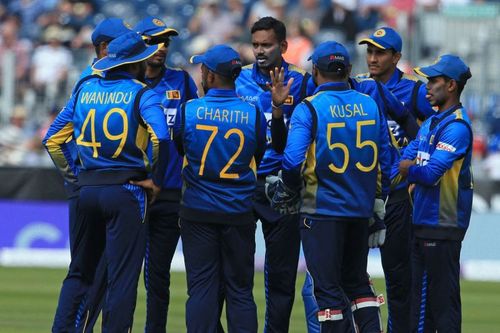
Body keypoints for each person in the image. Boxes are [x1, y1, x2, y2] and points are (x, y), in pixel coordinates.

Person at [43, 32, 169, 332]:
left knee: (79, 273)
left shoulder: (85, 89)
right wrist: (154, 178)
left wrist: (77, 177)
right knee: (122, 278)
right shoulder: (142, 93)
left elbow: (53, 141)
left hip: (87, 191)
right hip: (126, 190)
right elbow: (160, 136)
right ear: (136, 62)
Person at [267, 40, 391, 333]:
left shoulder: (308, 108)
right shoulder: (370, 104)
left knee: (327, 290)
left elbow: (292, 161)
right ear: (348, 70)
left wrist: (288, 190)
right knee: (359, 283)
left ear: (314, 72)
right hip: (360, 211)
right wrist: (376, 203)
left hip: (321, 212)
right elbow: (386, 161)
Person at [44, 17, 132, 333]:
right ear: (106, 47)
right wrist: (75, 176)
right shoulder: (99, 81)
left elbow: (53, 139)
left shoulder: (89, 79)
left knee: (85, 270)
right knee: (98, 272)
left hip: (88, 185)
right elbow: (54, 138)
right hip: (103, 184)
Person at [173, 44, 267, 333]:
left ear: (211, 75)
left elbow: (180, 148)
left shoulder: (189, 109)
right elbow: (258, 153)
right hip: (238, 211)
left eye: (203, 69)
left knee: (201, 288)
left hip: (198, 210)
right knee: (240, 291)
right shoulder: (252, 112)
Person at [234, 16, 311, 332]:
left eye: (266, 45)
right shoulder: (237, 80)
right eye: (255, 45)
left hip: (284, 188)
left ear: (283, 46)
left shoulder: (303, 82)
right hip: (244, 185)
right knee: (236, 274)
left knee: (281, 278)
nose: (260, 51)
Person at [358, 26, 436, 332]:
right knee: (346, 276)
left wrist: (416, 166)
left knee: (399, 279)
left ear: (396, 57)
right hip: (361, 195)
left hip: (397, 197)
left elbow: (434, 131)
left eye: (380, 53)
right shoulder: (359, 88)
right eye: (369, 51)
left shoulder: (415, 91)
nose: (373, 58)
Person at [133, 16, 199, 333]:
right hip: (132, 191)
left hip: (172, 193)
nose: (161, 48)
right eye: (153, 41)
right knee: (120, 273)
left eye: (166, 42)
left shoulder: (182, 81)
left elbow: (198, 129)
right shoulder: (126, 85)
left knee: (157, 275)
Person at [399, 54, 473, 332]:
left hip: (441, 225)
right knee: (425, 306)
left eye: (433, 80)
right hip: (425, 223)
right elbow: (404, 161)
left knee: (438, 308)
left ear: (451, 85)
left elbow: (428, 174)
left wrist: (413, 168)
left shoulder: (456, 127)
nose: (426, 86)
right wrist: (415, 166)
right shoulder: (431, 123)